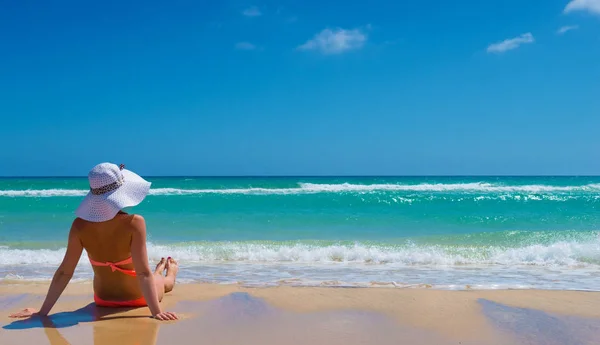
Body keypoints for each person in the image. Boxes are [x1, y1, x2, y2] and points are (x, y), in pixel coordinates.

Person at [9, 163, 179, 321]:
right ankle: (168, 272)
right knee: (162, 282)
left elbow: (64, 273)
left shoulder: (79, 226)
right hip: (138, 298)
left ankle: (160, 269)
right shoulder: (135, 223)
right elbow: (143, 274)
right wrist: (156, 312)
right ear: (123, 192)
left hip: (102, 300)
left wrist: (42, 313)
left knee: (152, 276)